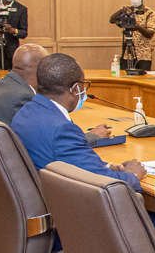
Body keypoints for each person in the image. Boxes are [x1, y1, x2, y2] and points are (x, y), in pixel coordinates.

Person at [10, 53, 145, 191]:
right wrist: (133, 175)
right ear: (75, 89)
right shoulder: (62, 130)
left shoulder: (26, 111)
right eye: (84, 85)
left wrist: (106, 166)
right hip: (63, 204)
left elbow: (74, 162)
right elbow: (105, 184)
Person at [108, 0, 155, 71]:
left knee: (143, 80)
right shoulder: (127, 11)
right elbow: (111, 20)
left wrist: (137, 27)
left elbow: (150, 34)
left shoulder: (150, 13)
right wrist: (121, 11)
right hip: (127, 53)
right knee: (125, 78)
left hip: (144, 55)